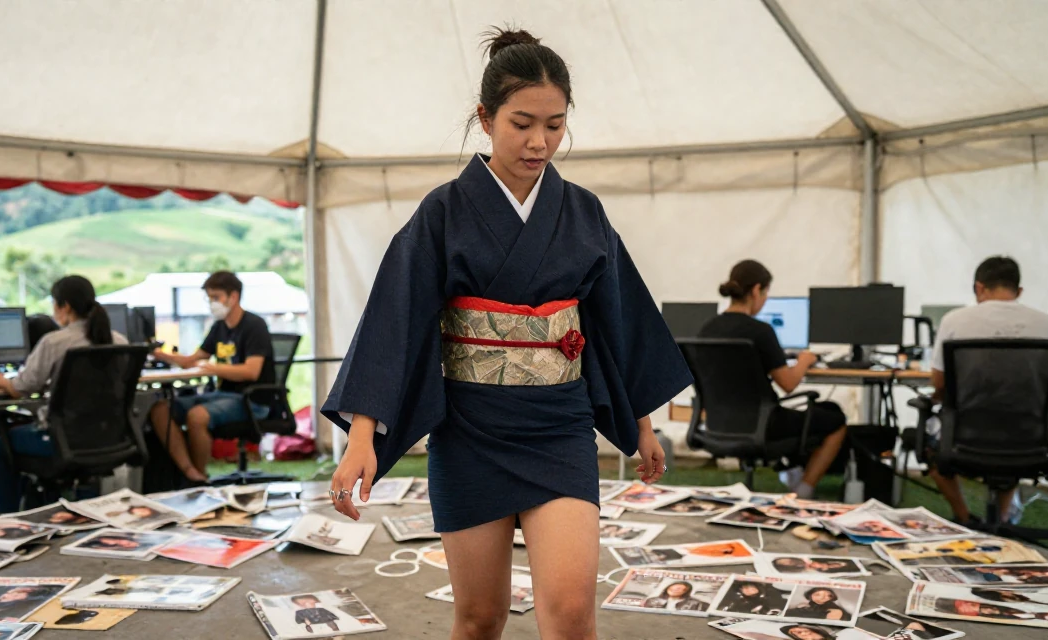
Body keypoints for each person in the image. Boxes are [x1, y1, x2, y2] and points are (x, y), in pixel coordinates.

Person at [321, 28, 690, 640]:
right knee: (479, 618)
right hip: (470, 430)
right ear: (485, 118)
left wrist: (642, 425)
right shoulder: (443, 211)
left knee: (571, 616)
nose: (540, 142)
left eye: (555, 124)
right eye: (522, 123)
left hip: (559, 427)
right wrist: (363, 435)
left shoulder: (584, 211)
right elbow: (396, 318)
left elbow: (616, 321)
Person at [924, 256, 1048, 523]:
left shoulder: (955, 321)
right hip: (1031, 439)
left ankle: (964, 518)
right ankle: (1001, 521)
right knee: (1010, 432)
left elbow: (939, 384)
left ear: (979, 287)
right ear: (1019, 291)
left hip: (967, 437)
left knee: (926, 441)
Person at [698, 260, 847, 499]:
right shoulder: (760, 331)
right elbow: (788, 384)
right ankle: (804, 491)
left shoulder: (706, 329)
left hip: (718, 424)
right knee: (836, 420)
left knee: (827, 409)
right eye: (766, 293)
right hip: (764, 425)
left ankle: (793, 470)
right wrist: (805, 361)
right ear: (757, 290)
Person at [0, 275, 126, 514]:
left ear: (65, 306)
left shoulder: (55, 342)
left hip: (61, 440)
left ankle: (9, 516)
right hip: (107, 437)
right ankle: (81, 505)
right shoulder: (119, 340)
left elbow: (21, 388)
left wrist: (0, 381)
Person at [149, 271, 277, 483]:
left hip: (252, 400)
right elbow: (193, 359)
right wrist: (159, 354)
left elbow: (251, 371)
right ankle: (189, 471)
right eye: (209, 298)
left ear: (233, 297)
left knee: (197, 416)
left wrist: (213, 368)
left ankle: (199, 480)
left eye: (215, 297)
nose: (211, 303)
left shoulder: (254, 326)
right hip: (223, 395)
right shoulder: (219, 327)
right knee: (160, 410)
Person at [720, 581, 788, 615]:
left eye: (751, 587)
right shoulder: (740, 603)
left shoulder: (770, 593)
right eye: (745, 588)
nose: (749, 589)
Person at [643, 581, 709, 612]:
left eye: (679, 589)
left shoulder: (697, 604)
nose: (675, 590)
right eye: (672, 588)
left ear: (686, 591)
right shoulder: (652, 600)